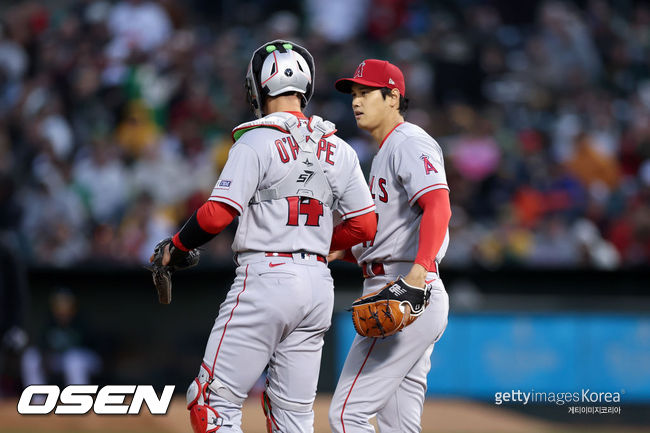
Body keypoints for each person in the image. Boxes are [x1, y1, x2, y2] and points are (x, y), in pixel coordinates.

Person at [156, 40, 376, 433]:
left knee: (212, 405)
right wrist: (314, 244)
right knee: (293, 418)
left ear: (259, 87)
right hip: (317, 286)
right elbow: (365, 226)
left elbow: (218, 212)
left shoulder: (256, 140)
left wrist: (178, 244)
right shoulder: (339, 149)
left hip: (266, 278)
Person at [328, 59, 452, 433]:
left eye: (366, 92)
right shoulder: (384, 151)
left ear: (393, 97)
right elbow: (391, 232)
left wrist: (418, 271)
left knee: (347, 415)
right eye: (354, 93)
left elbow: (439, 205)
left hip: (405, 288)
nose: (356, 101)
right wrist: (343, 250)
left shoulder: (409, 141)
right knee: (399, 425)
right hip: (400, 286)